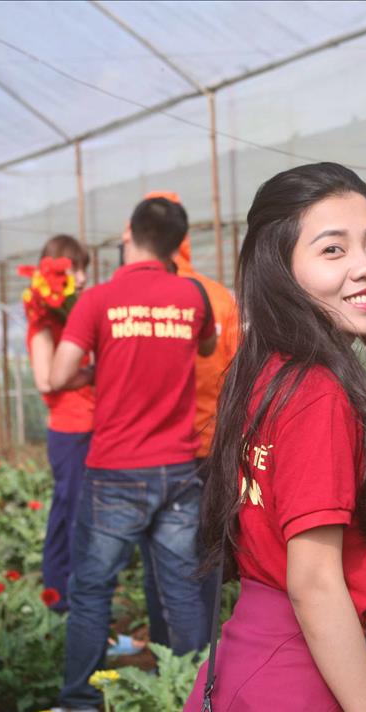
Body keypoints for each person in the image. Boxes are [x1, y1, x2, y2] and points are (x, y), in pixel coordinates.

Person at [148, 162, 366, 712]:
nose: (365, 264)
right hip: (306, 668)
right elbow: (314, 583)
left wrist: (363, 298)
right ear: (280, 270)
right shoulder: (320, 395)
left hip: (252, 656)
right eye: (332, 250)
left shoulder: (267, 370)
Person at [36, 196, 217, 712]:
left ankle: (81, 711)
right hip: (178, 468)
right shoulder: (192, 296)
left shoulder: (98, 299)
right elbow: (207, 345)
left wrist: (101, 366)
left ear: (128, 235)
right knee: (182, 592)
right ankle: (198, 708)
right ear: (177, 244)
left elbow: (58, 376)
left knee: (93, 590)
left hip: (116, 468)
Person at [139, 190, 240, 647]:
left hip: (159, 450)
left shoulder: (137, 300)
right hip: (212, 445)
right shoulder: (217, 297)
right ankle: (208, 656)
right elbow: (239, 372)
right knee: (208, 552)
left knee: (160, 559)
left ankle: (168, 652)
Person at [19, 236, 94, 613]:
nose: (81, 278)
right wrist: (93, 373)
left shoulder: (69, 314)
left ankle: (67, 596)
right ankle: (66, 599)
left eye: (83, 269)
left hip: (87, 426)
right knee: (71, 515)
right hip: (71, 430)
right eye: (74, 269)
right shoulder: (43, 320)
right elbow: (46, 380)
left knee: (72, 513)